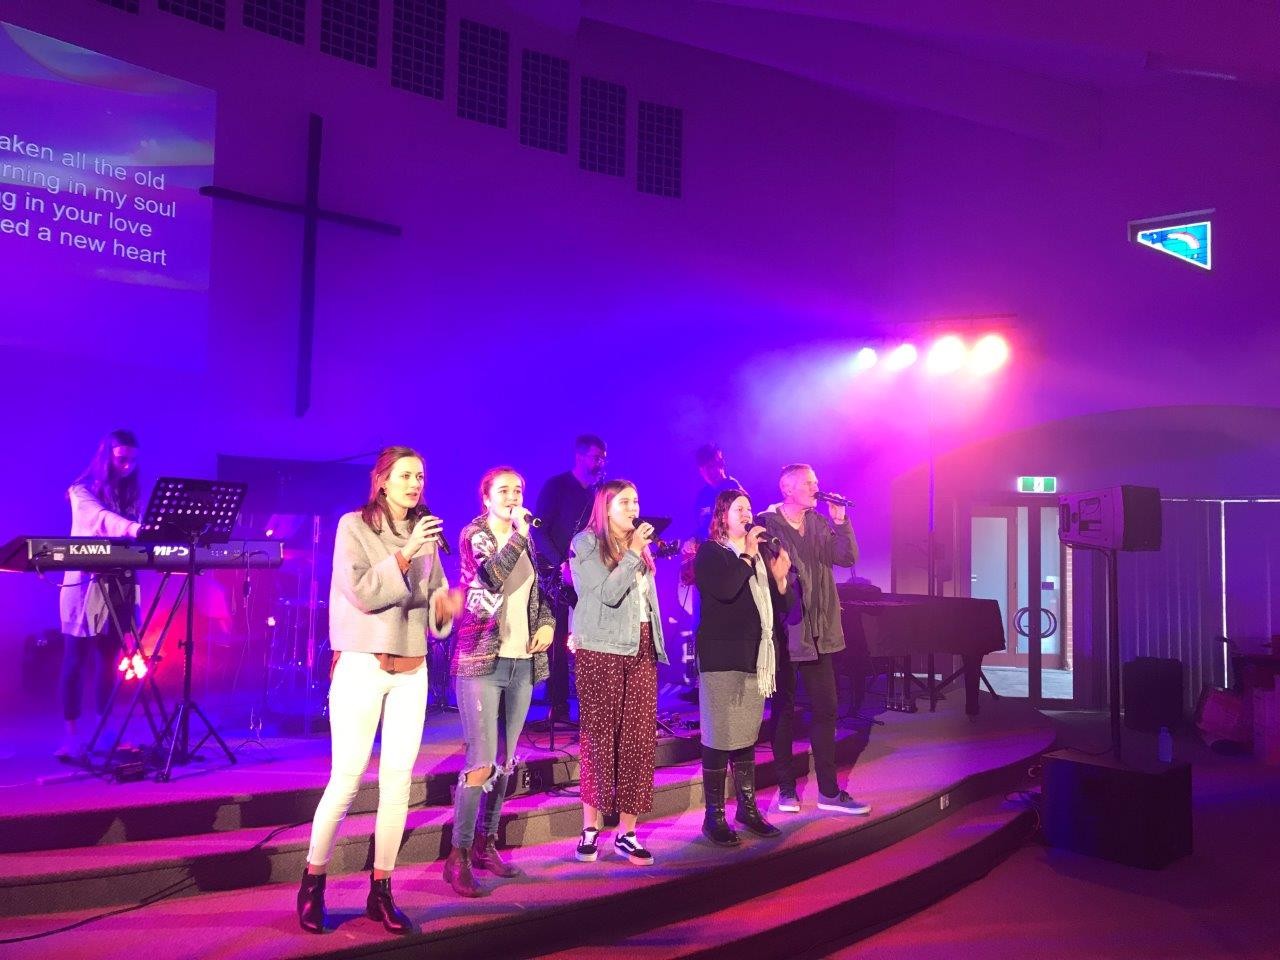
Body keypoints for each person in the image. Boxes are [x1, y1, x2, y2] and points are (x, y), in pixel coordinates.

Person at [296, 446, 462, 936]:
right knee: (347, 779)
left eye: (421, 476)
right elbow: (365, 593)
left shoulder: (426, 534)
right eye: (405, 475)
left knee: (397, 783)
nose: (415, 484)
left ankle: (382, 890)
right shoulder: (353, 526)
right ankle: (313, 882)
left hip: (411, 669)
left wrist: (446, 609)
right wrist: (406, 553)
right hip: (362, 664)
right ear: (382, 480)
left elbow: (434, 609)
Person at [444, 466, 555, 898]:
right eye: (504, 490)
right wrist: (520, 534)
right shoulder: (476, 536)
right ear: (486, 498)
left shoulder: (526, 542)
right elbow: (490, 576)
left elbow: (537, 594)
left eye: (519, 490)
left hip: (521, 662)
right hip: (482, 660)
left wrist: (546, 624)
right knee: (481, 760)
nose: (513, 497)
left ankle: (486, 844)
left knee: (506, 760)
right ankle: (458, 855)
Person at [760, 463, 871, 816]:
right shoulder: (767, 525)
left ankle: (829, 791)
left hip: (821, 633)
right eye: (808, 483)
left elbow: (846, 557)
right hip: (787, 631)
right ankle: (786, 789)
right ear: (787, 489)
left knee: (827, 709)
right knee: (784, 710)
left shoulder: (821, 522)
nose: (816, 487)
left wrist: (841, 521)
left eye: (816, 482)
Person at [569, 479, 669, 865]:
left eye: (636, 501)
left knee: (638, 740)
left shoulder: (638, 546)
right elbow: (609, 594)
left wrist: (638, 552)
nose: (633, 508)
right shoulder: (585, 543)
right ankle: (590, 827)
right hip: (601, 647)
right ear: (605, 508)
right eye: (624, 502)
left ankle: (627, 831)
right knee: (599, 738)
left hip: (641, 644)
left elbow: (644, 600)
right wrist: (633, 552)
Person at [694, 489, 792, 846]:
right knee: (719, 735)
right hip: (721, 657)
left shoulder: (759, 557)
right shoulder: (711, 552)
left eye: (749, 508)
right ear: (722, 515)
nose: (748, 514)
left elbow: (781, 608)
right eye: (739, 509)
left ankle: (747, 809)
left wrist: (779, 579)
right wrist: (748, 554)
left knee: (747, 734)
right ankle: (714, 817)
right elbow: (725, 589)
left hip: (754, 656)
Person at [57, 430, 143, 760]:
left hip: (118, 584)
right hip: (84, 585)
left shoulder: (129, 493)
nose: (127, 466)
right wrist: (136, 529)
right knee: (75, 661)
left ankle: (104, 731)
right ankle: (71, 737)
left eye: (132, 460)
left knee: (109, 662)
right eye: (122, 459)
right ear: (106, 458)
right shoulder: (80, 491)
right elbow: (100, 521)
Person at [532, 434, 607, 720]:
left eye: (603, 459)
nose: (600, 463)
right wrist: (559, 562)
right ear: (579, 456)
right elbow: (539, 530)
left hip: (589, 575)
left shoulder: (598, 493)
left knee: (595, 635)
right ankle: (559, 705)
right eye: (595, 457)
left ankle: (595, 704)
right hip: (557, 574)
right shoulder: (557, 486)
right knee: (558, 638)